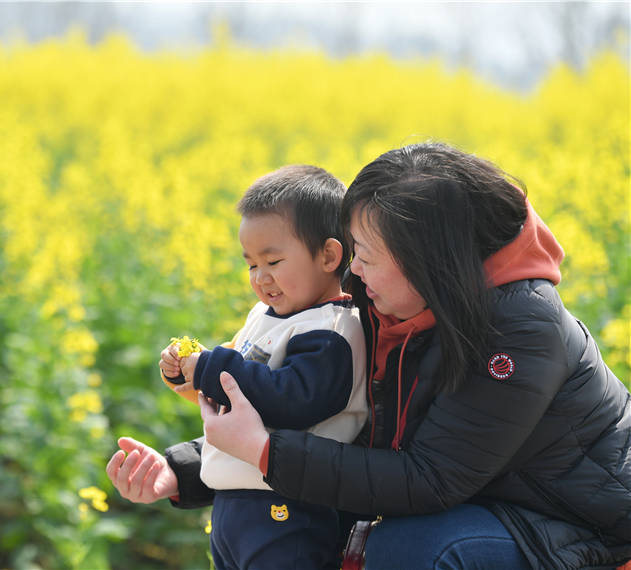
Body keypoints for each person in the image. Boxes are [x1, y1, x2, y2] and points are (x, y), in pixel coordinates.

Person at [107, 142, 631, 570]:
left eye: (365, 256)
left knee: (413, 550)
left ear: (429, 264)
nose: (351, 273)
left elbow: (429, 478)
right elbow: (325, 419)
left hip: (578, 522)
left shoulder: (520, 325)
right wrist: (184, 470)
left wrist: (265, 452)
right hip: (480, 499)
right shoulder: (386, 304)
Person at [156, 164, 368, 569]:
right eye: (252, 265)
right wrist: (185, 368)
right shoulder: (269, 313)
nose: (260, 278)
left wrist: (210, 368)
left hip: (288, 510)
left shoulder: (334, 331)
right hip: (234, 504)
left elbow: (291, 399)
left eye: (272, 262)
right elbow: (234, 365)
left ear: (328, 255)